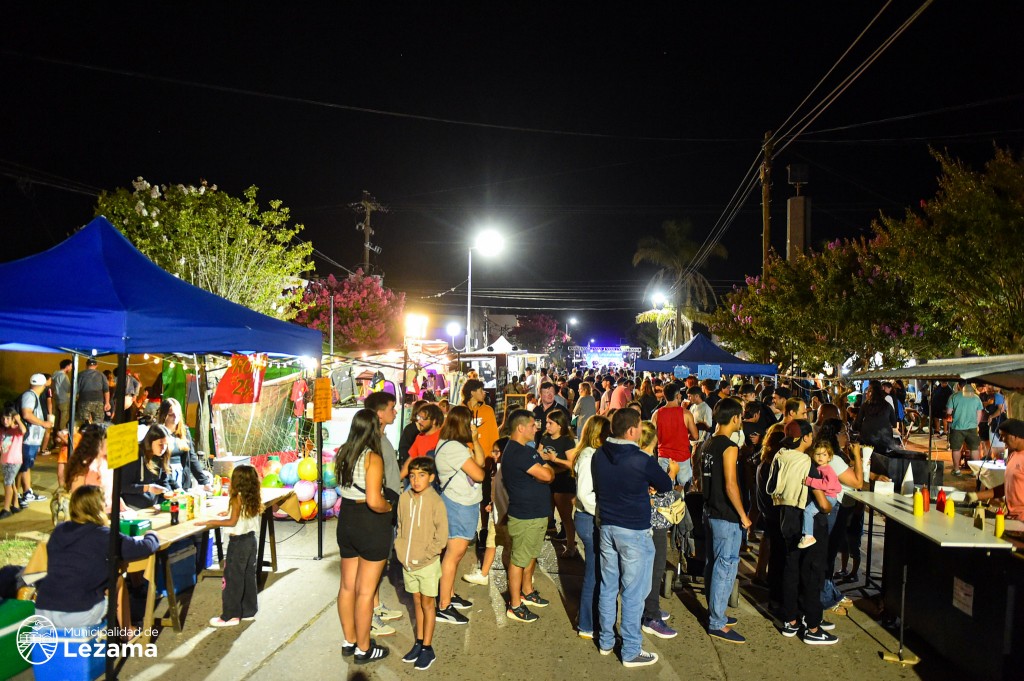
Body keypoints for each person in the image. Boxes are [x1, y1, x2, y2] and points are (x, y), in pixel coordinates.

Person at [593, 408, 673, 667]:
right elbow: (665, 484)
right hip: (634, 532)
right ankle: (630, 650)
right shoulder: (641, 459)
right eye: (639, 427)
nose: (641, 431)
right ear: (631, 431)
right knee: (633, 592)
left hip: (607, 526)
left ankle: (606, 641)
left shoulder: (598, 455)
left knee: (608, 587)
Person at [34, 485, 159, 629]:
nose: (106, 505)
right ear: (96, 507)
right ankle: (127, 631)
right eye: (103, 502)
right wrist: (151, 535)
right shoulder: (103, 535)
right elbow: (143, 548)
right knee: (117, 580)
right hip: (79, 609)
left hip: (45, 608)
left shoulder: (59, 530)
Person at [768, 420, 838, 645]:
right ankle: (813, 627)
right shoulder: (807, 463)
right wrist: (828, 507)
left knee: (791, 569)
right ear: (806, 438)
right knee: (812, 572)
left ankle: (791, 621)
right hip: (807, 522)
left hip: (785, 517)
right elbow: (821, 501)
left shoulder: (780, 455)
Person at [336, 408, 395, 664]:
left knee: (347, 586)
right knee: (365, 592)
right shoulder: (373, 457)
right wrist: (389, 506)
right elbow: (374, 500)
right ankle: (364, 648)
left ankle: (349, 640)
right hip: (369, 523)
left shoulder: (343, 452)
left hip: (346, 518)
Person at [701, 397, 750, 644]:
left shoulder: (706, 444)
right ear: (734, 418)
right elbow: (731, 484)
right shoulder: (729, 447)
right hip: (725, 515)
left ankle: (715, 612)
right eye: (740, 416)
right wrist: (743, 515)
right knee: (725, 566)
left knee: (713, 564)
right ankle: (717, 621)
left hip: (709, 511)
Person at [433, 405, 487, 625]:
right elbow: (480, 473)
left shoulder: (453, 445)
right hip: (459, 505)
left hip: (462, 503)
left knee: (453, 554)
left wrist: (475, 440)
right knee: (453, 555)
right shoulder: (453, 448)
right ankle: (444, 606)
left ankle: (449, 595)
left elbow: (480, 461)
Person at [502, 409, 555, 623]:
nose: (536, 429)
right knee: (519, 559)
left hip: (536, 513)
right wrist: (546, 468)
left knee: (531, 555)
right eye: (533, 425)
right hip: (525, 516)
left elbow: (545, 474)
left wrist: (544, 469)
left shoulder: (526, 450)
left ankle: (527, 590)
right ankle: (515, 604)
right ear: (520, 428)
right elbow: (546, 475)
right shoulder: (518, 452)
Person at [395, 457, 447, 670]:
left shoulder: (436, 502)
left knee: (427, 604)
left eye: (422, 475)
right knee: (416, 602)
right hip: (408, 564)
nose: (416, 480)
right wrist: (399, 548)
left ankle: (427, 647)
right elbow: (399, 525)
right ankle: (418, 641)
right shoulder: (404, 498)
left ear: (432, 478)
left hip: (426, 564)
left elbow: (441, 536)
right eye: (412, 475)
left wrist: (427, 555)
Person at [200, 465, 263, 627]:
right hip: (250, 541)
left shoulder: (237, 498)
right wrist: (227, 512)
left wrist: (211, 522)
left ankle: (230, 615)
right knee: (248, 577)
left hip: (238, 543)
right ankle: (248, 611)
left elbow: (232, 522)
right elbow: (241, 516)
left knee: (232, 579)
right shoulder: (253, 496)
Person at [362, 391, 404, 632]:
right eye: (391, 408)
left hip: (389, 502)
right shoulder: (372, 442)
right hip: (381, 505)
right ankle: (370, 617)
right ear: (379, 414)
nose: (395, 412)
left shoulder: (381, 438)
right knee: (376, 562)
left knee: (381, 560)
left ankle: (376, 607)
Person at [639, 420, 679, 639]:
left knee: (649, 569)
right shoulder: (646, 461)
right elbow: (666, 488)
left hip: (641, 521)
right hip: (655, 522)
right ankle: (651, 616)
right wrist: (672, 473)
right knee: (655, 568)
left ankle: (650, 609)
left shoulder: (631, 458)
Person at [571, 415, 610, 639]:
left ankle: (586, 618)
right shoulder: (587, 457)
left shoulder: (592, 454)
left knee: (595, 570)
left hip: (590, 517)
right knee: (593, 572)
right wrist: (606, 508)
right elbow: (585, 495)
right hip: (589, 519)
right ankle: (587, 624)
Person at [967, 419, 1024, 523]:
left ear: (1015, 436)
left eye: (1004, 435)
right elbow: (1007, 486)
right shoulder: (1013, 455)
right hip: (1011, 517)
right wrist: (977, 496)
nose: (1001, 439)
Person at [539, 409, 578, 557]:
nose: (547, 426)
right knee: (544, 515)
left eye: (550, 423)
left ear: (559, 425)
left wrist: (555, 460)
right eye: (546, 422)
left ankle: (570, 547)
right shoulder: (545, 438)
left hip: (563, 482)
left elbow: (572, 464)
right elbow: (538, 453)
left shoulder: (567, 440)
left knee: (565, 516)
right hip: (547, 481)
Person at [120, 424, 178, 510]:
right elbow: (123, 486)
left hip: (153, 506)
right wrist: (147, 488)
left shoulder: (162, 455)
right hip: (132, 506)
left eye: (166, 444)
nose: (163, 448)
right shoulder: (134, 455)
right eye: (160, 444)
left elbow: (164, 480)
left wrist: (166, 493)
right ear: (150, 442)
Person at [159, 397, 211, 491]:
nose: (175, 417)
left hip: (182, 478)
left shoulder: (184, 431)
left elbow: (191, 457)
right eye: (171, 414)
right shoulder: (158, 432)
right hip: (165, 479)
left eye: (177, 414)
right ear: (164, 415)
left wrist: (204, 481)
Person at [654, 383, 699, 487]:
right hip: (682, 457)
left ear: (664, 396)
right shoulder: (686, 414)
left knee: (664, 489)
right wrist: (686, 436)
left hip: (663, 456)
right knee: (684, 490)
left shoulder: (657, 414)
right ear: (678, 395)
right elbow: (696, 436)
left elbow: (653, 437)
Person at [799, 442, 841, 550]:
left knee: (808, 511)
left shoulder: (828, 470)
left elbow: (828, 485)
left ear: (829, 457)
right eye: (817, 454)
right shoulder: (820, 468)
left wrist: (810, 481)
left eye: (824, 454)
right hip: (828, 497)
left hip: (829, 497)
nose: (820, 457)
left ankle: (808, 536)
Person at [18, 373, 51, 505]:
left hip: (32, 439)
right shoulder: (29, 396)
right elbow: (27, 414)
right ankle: (19, 495)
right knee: (22, 467)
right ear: (43, 385)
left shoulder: (32, 396)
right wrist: (43, 423)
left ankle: (27, 492)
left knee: (26, 466)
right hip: (28, 439)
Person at [947, 381, 984, 475]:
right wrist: (976, 424)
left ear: (959, 386)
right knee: (974, 449)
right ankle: (974, 471)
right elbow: (979, 413)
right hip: (972, 427)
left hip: (957, 426)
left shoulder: (954, 396)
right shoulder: (976, 397)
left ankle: (956, 470)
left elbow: (948, 411)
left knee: (956, 449)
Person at [852, 381, 898, 454]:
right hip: (885, 440)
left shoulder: (865, 405)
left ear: (871, 392)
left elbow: (857, 423)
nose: (867, 392)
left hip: (867, 440)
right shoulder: (887, 405)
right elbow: (894, 424)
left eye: (868, 390)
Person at [400, 403, 443, 480]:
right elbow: (411, 459)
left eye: (423, 418)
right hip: (418, 481)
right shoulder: (420, 437)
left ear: (434, 421)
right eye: (418, 417)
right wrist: (399, 478)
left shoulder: (442, 438)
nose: (419, 421)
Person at [462, 379, 499, 463]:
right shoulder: (460, 411)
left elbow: (494, 434)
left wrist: (496, 450)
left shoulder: (488, 410)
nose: (484, 392)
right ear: (472, 392)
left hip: (486, 458)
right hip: (466, 461)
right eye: (481, 390)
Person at [1, 404, 25, 519]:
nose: (5, 421)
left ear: (13, 419)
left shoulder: (17, 430)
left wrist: (18, 419)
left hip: (14, 461)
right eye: (3, 418)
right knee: (10, 483)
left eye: (8, 418)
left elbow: (23, 430)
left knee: (7, 483)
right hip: (4, 460)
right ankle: (15, 504)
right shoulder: (2, 431)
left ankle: (6, 509)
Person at [76, 358, 110, 425]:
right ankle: (97, 435)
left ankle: (85, 434)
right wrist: (107, 403)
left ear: (86, 365)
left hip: (84, 401)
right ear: (96, 365)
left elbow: (76, 390)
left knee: (83, 423)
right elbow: (106, 390)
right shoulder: (102, 375)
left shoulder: (80, 375)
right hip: (98, 402)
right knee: (98, 423)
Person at [52, 359, 73, 431]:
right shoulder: (63, 376)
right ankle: (61, 438)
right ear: (67, 366)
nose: (71, 368)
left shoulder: (55, 375)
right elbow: (68, 389)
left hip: (56, 400)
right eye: (71, 366)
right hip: (64, 400)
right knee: (63, 421)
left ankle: (55, 438)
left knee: (56, 421)